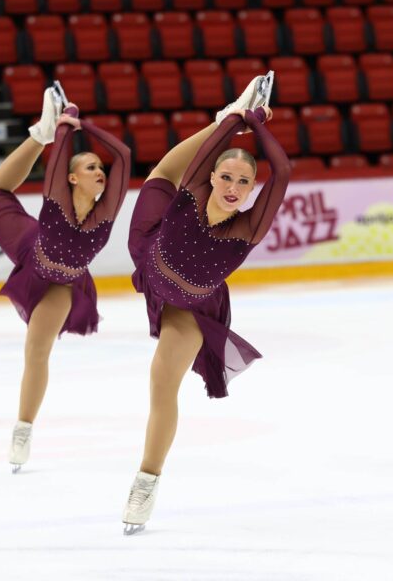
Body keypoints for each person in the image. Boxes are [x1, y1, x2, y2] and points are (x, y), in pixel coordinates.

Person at [122, 74, 291, 534]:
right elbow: (192, 163)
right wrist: (232, 120)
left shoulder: (247, 228)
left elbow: (285, 172)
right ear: (212, 176)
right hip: (151, 249)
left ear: (254, 187)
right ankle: (224, 111)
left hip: (192, 306)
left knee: (162, 383)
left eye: (244, 181)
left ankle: (146, 480)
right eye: (227, 177)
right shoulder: (192, 195)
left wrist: (255, 125)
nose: (234, 187)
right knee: (160, 174)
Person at [0, 84, 131, 472]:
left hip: (63, 283)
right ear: (71, 179)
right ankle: (38, 134)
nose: (99, 171)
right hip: (30, 248)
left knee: (37, 351)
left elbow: (125, 155)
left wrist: (84, 127)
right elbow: (57, 161)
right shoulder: (56, 202)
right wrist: (61, 127)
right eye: (89, 167)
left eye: (100, 167)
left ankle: (23, 428)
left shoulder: (106, 211)